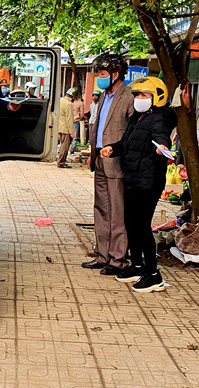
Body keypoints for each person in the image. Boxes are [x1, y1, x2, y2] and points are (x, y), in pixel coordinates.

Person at [100, 77, 176, 292]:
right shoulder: (139, 116)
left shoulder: (161, 117)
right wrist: (113, 148)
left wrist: (162, 146)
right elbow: (127, 142)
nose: (139, 99)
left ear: (157, 97)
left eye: (144, 95)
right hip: (132, 178)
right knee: (130, 224)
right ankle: (137, 265)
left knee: (141, 226)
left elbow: (161, 137)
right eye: (137, 95)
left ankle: (153, 274)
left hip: (148, 181)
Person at [84, 53, 135, 276]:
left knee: (117, 211)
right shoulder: (104, 95)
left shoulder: (129, 97)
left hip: (117, 162)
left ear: (116, 74)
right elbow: (98, 126)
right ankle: (102, 254)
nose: (99, 78)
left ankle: (118, 259)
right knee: (101, 208)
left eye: (103, 74)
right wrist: (92, 153)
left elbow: (133, 133)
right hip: (100, 160)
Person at [57, 88, 75, 168]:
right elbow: (69, 119)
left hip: (59, 127)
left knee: (62, 146)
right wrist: (72, 131)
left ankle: (61, 161)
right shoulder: (69, 104)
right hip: (66, 129)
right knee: (65, 147)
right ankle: (61, 162)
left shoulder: (60, 101)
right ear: (73, 97)